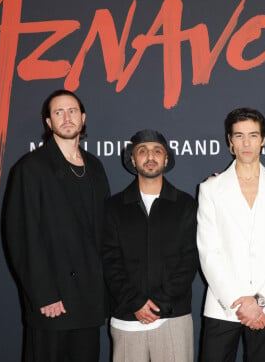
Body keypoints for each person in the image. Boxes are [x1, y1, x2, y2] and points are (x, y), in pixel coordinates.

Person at [3, 89, 111, 362]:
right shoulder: (31, 168)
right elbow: (22, 236)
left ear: (83, 118)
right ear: (49, 123)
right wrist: (44, 294)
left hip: (89, 300)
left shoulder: (95, 167)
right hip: (53, 303)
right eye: (58, 112)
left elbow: (103, 233)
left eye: (72, 111)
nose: (66, 117)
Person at [197, 108, 265, 362]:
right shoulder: (210, 189)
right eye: (239, 136)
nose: (246, 143)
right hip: (224, 305)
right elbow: (209, 251)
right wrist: (240, 302)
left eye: (253, 135)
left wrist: (260, 302)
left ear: (263, 140)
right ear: (230, 141)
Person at [102, 129, 198, 361]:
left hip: (173, 318)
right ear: (133, 160)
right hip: (127, 319)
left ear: (166, 158)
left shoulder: (185, 204)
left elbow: (190, 259)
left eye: (157, 151)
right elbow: (109, 260)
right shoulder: (114, 206)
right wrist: (134, 302)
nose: (150, 156)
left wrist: (161, 304)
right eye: (142, 151)